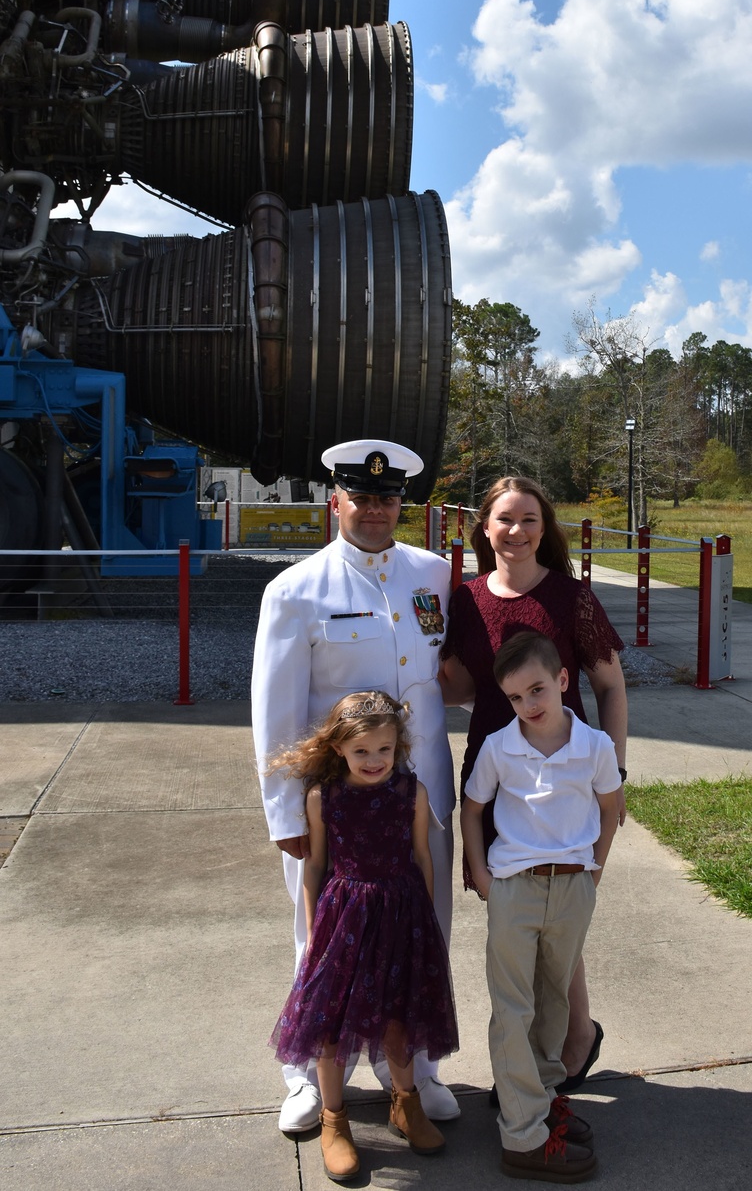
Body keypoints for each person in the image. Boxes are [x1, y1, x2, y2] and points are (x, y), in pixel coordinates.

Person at [252, 439, 459, 1135]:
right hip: (335, 809)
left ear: (402, 502)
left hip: (420, 794)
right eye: (362, 497)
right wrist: (283, 810)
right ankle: (306, 1073)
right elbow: (275, 712)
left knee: (424, 934)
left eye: (387, 497)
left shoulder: (433, 572)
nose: (375, 510)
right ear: (335, 500)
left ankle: (416, 1066)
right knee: (321, 942)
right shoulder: (295, 590)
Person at [439, 476, 627, 1090]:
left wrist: (613, 772)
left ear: (545, 530)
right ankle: (538, 1056)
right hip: (497, 772)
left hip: (565, 777)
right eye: (504, 520)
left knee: (558, 906)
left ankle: (572, 1035)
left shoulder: (572, 599)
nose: (516, 531)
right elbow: (470, 689)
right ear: (483, 528)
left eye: (529, 520)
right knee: (520, 919)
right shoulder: (464, 599)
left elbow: (610, 687)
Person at [269, 692, 459, 1181]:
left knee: (397, 1020)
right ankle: (334, 1121)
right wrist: (313, 932)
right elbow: (315, 864)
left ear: (398, 747)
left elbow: (422, 855)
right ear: (339, 749)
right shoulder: (323, 798)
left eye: (384, 750)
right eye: (362, 752)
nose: (374, 761)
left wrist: (428, 922)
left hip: (401, 915)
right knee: (330, 1028)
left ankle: (405, 1105)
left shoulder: (409, 793)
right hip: (344, 920)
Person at [462, 632, 621, 1182]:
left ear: (561, 681)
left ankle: (542, 1098)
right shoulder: (499, 747)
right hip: (515, 888)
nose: (528, 706)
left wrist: (594, 870)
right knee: (513, 1007)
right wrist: (481, 872)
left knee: (553, 1002)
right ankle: (522, 1137)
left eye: (536, 690)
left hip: (573, 887)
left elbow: (609, 806)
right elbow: (472, 807)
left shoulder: (595, 746)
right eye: (515, 698)